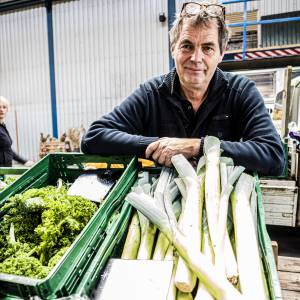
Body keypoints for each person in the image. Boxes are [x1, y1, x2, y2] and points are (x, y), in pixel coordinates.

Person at [81, 1, 285, 176]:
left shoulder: (240, 92)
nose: (196, 58)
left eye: (207, 48)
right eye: (187, 46)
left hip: (217, 199)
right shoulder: (152, 94)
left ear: (221, 53)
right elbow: (93, 137)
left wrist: (198, 146)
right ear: (173, 49)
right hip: (159, 198)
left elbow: (274, 156)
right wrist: (159, 145)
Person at [0, 96, 34, 168]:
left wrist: (24, 161)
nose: (1, 110)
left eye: (4, 107)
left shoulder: (3, 127)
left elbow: (7, 150)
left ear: (7, 110)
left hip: (5, 170)